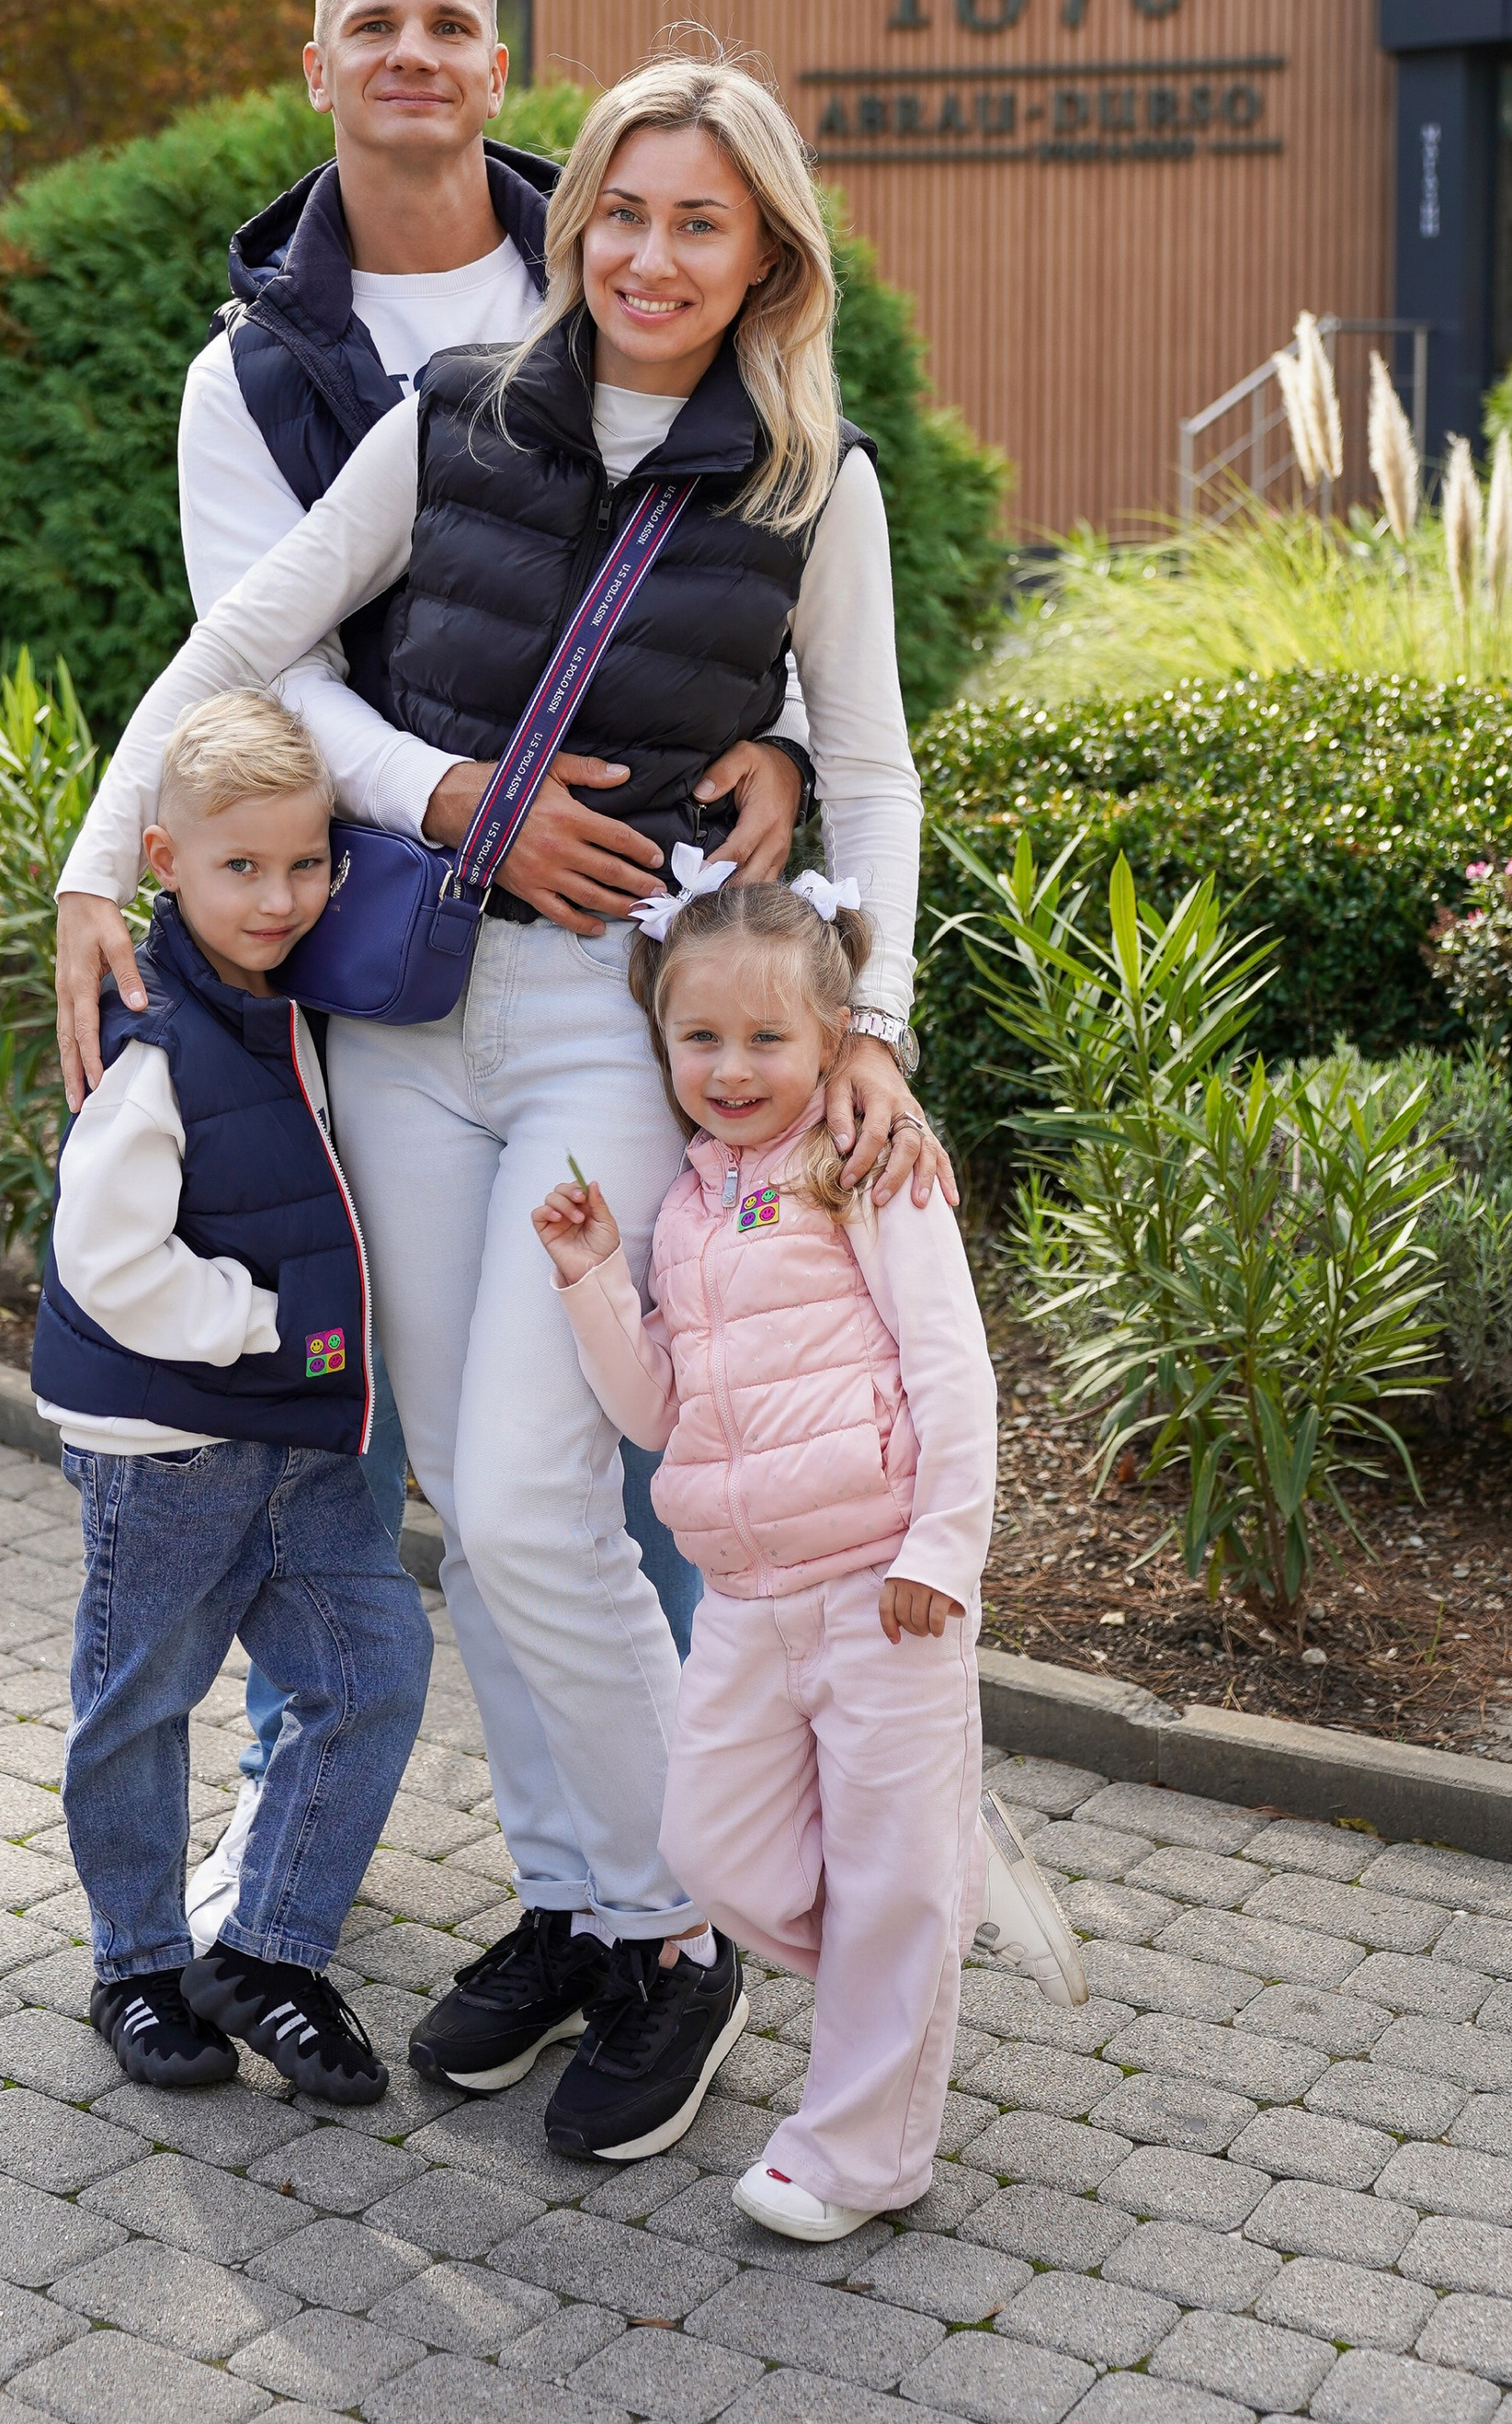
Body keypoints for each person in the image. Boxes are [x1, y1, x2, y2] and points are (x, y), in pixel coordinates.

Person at [53, 54, 950, 2163]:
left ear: (765, 257)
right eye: (622, 213)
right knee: (467, 1493)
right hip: (403, 1014)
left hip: (598, 1033)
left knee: (549, 1502)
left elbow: (877, 767)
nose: (650, 255)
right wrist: (109, 863)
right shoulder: (453, 410)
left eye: (699, 223)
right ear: (578, 232)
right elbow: (253, 650)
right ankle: (580, 1907)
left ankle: (693, 1920)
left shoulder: (815, 479)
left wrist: (878, 1017)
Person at [537, 873, 1086, 2238]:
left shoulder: (869, 1171)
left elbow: (954, 1371)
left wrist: (946, 1555)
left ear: (837, 1042)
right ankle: (910, 1940)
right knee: (709, 1849)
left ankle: (860, 2152)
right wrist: (597, 1277)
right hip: (744, 1596)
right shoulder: (681, 1208)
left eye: (767, 1041)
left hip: (883, 1587)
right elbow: (656, 1413)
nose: (729, 1070)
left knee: (893, 1887)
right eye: (699, 1039)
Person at [33, 689, 432, 2106]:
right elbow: (105, 1260)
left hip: (298, 1447)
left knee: (374, 1670)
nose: (280, 897)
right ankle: (136, 1964)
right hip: (172, 1457)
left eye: (307, 862)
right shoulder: (153, 1046)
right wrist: (265, 1326)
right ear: (164, 864)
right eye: (241, 868)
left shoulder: (298, 1003)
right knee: (138, 1706)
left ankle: (266, 1951)